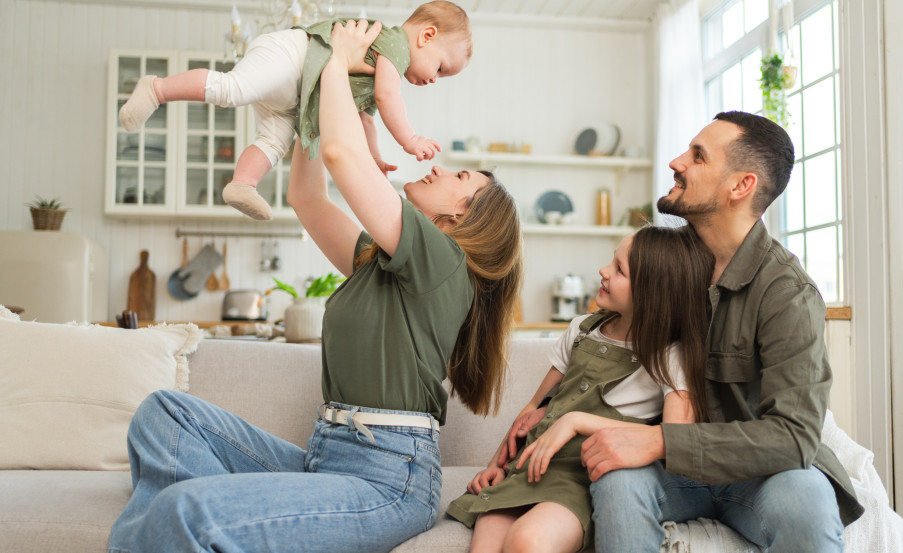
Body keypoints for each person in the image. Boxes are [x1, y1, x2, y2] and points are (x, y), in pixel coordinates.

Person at [107, 19, 521, 553]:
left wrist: (333, 63)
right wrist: (314, 92)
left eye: (459, 178)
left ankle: (204, 524)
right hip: (327, 456)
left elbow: (343, 156)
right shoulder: (380, 261)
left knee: (187, 508)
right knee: (166, 416)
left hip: (388, 480)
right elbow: (308, 198)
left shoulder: (443, 263)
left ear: (464, 219)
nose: (441, 169)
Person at [501, 111, 865, 552]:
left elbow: (794, 436)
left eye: (697, 156)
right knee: (616, 479)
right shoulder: (665, 266)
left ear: (740, 186)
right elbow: (597, 341)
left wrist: (658, 439)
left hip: (759, 476)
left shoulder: (786, 292)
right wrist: (543, 409)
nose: (675, 162)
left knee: (807, 499)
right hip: (671, 474)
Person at [446, 225, 715, 553]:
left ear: (651, 293)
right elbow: (532, 410)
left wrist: (577, 421)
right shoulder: (581, 329)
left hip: (580, 482)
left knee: (527, 541)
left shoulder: (669, 355)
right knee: (485, 544)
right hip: (528, 469)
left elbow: (674, 436)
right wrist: (495, 466)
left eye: (619, 270)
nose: (603, 271)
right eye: (611, 262)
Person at [118, 0, 472, 221]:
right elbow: (387, 98)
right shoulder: (395, 47)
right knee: (232, 88)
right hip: (294, 57)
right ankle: (158, 88)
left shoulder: (382, 68)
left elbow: (365, 119)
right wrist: (409, 139)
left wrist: (376, 158)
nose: (435, 80)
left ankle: (242, 184)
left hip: (299, 92)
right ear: (426, 36)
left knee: (274, 140)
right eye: (441, 68)